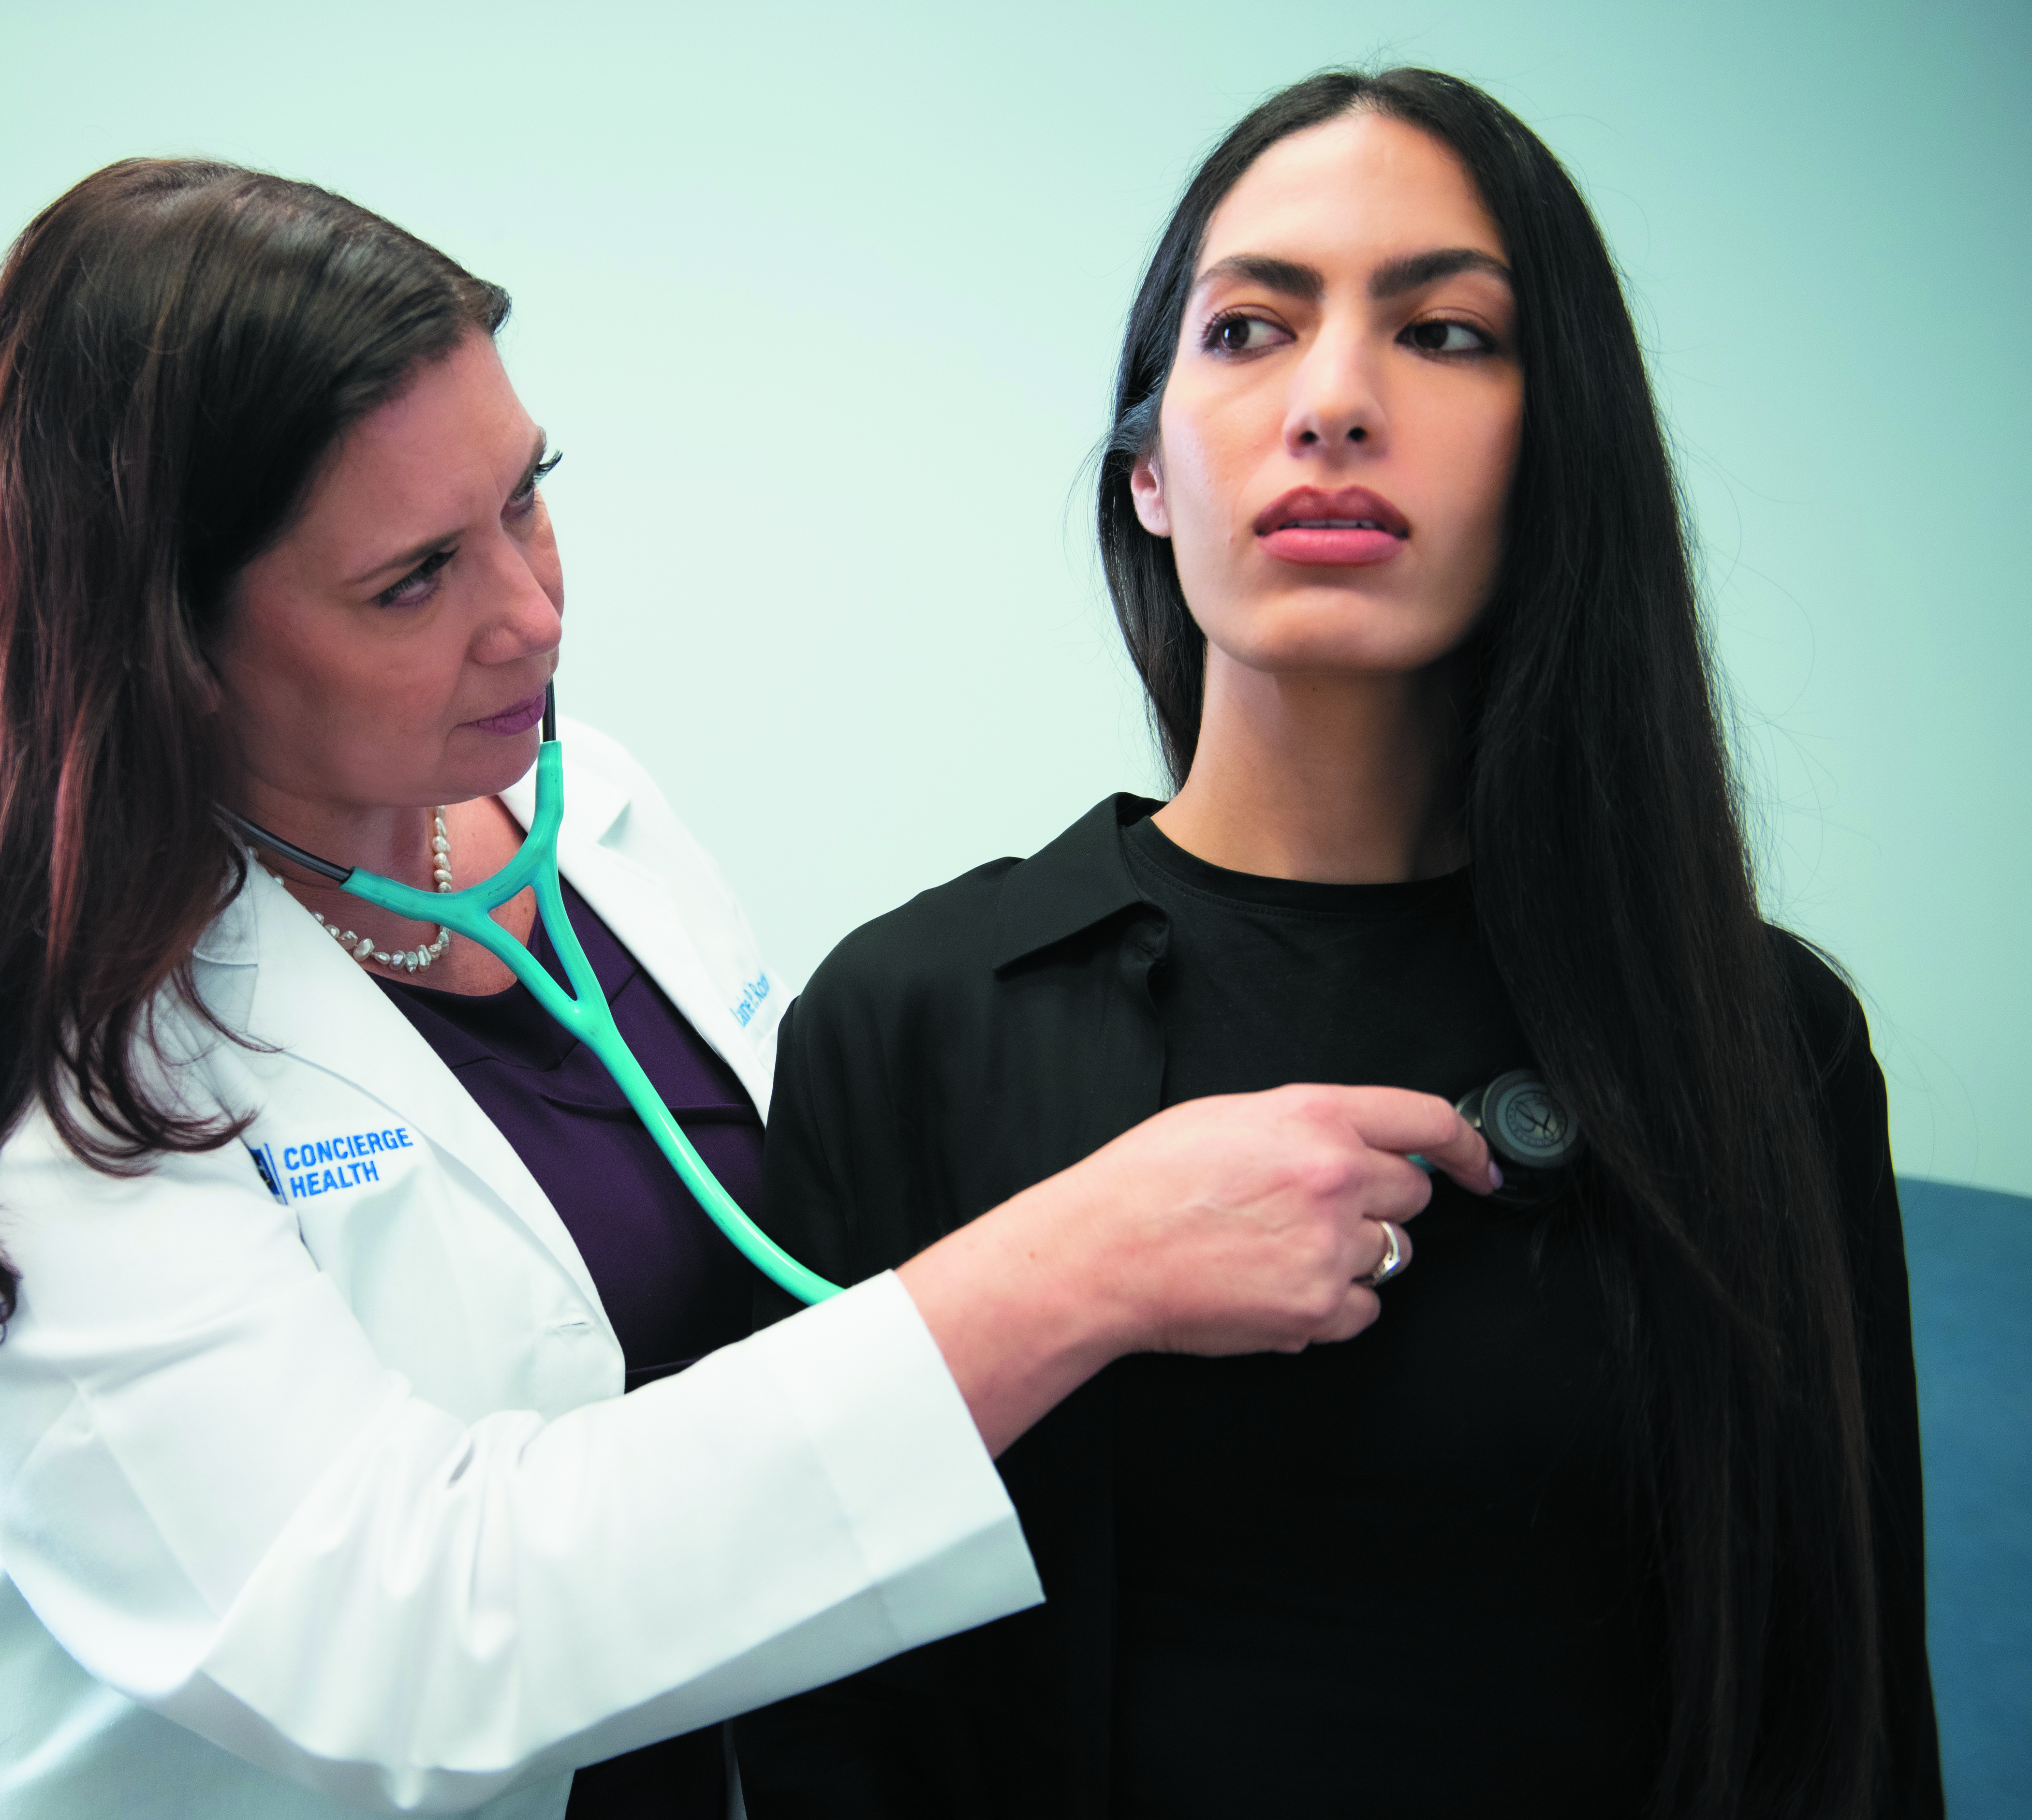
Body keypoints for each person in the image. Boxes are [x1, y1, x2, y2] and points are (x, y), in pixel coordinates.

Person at [0, 158, 1500, 1820]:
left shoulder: (593, 829)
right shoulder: (6, 1022)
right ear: (162, 645)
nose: (532, 615)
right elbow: (392, 1634)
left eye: (526, 497)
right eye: (413, 578)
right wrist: (1081, 1267)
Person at [732, 67, 1941, 1820]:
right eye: (1247, 328)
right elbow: (820, 1718)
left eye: (1445, 334)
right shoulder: (910, 1017)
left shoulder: (1761, 1039)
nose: (1333, 403)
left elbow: (1845, 1720)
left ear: (1560, 450)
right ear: (1148, 474)